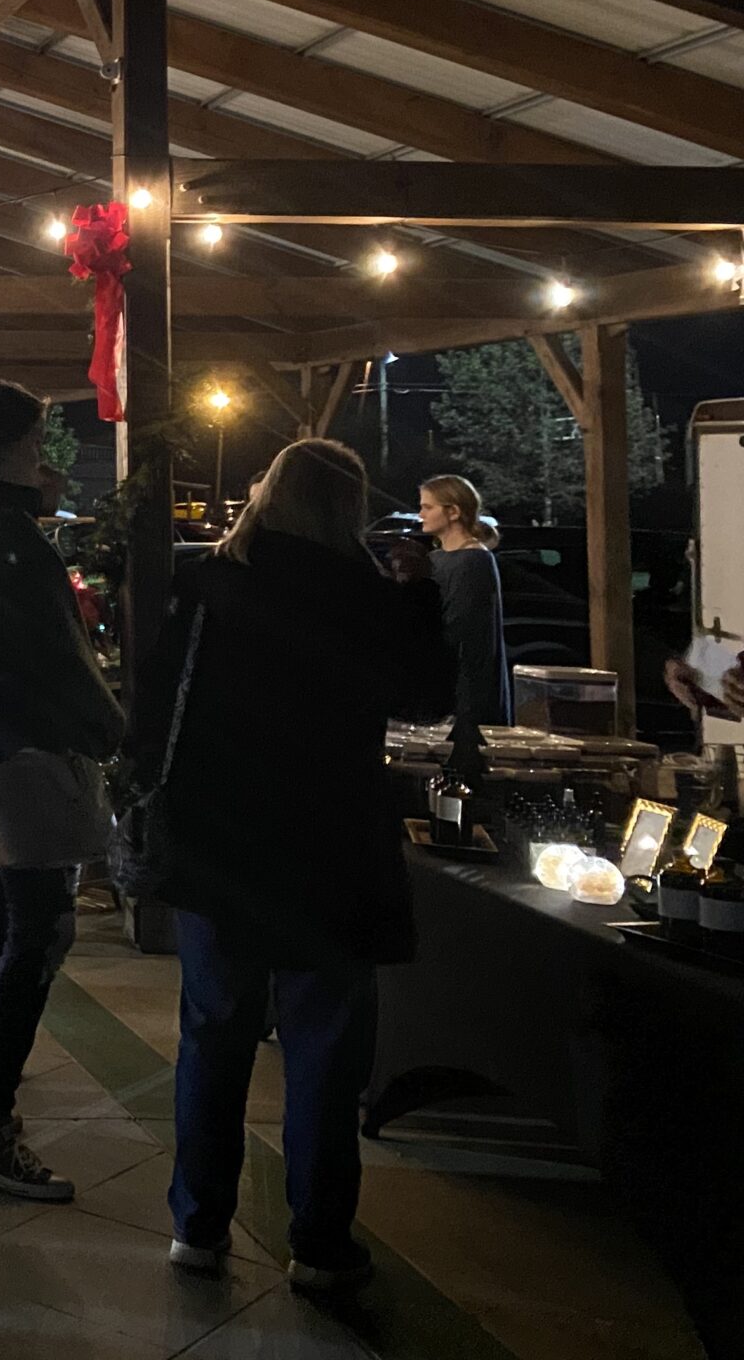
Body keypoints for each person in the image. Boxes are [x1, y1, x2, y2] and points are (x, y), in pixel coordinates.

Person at [128, 439, 446, 1293]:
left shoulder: (207, 585)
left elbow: (153, 705)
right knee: (324, 1051)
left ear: (267, 496)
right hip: (331, 853)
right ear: (349, 508)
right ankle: (320, 1240)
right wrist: (419, 597)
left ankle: (197, 1226)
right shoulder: (366, 598)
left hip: (218, 845)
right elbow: (426, 701)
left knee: (213, 1036)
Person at [0, 381, 124, 1201]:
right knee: (40, 929)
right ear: (12, 442)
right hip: (11, 750)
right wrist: (114, 731)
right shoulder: (7, 529)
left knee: (0, 918)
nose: (48, 448)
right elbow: (50, 657)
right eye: (39, 434)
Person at [418, 474, 508, 757]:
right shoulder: (437, 559)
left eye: (428, 507)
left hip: (461, 694)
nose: (421, 513)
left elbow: (464, 634)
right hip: (439, 688)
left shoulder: (473, 561)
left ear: (453, 511)